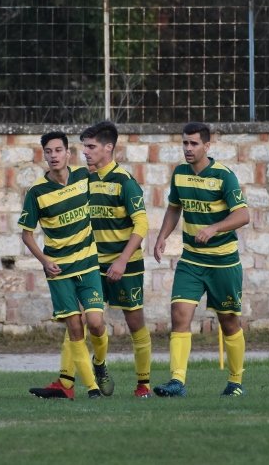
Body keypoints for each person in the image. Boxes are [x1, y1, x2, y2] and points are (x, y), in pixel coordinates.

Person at [152, 122, 250, 397]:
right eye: (184, 143)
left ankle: (235, 382)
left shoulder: (223, 176)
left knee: (229, 321)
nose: (188, 148)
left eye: (193, 143)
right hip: (192, 261)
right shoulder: (180, 174)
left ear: (207, 146)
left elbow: (243, 215)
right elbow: (174, 208)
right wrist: (162, 237)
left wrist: (214, 228)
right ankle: (177, 382)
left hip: (223, 262)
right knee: (179, 314)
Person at [20, 131, 107, 400]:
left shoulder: (84, 177)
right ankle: (92, 387)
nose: (54, 156)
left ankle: (100, 364)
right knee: (74, 327)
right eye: (49, 151)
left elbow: (106, 164)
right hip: (59, 270)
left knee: (95, 322)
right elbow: (26, 233)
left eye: (59, 150)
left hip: (88, 264)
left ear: (68, 153)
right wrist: (44, 260)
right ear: (44, 155)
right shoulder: (37, 192)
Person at [80, 121, 153, 398]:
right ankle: (98, 366)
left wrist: (122, 260)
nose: (85, 152)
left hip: (127, 264)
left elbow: (142, 224)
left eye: (91, 147)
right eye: (84, 147)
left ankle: (143, 384)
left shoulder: (124, 181)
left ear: (108, 148)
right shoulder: (83, 180)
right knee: (89, 320)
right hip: (91, 264)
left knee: (135, 322)